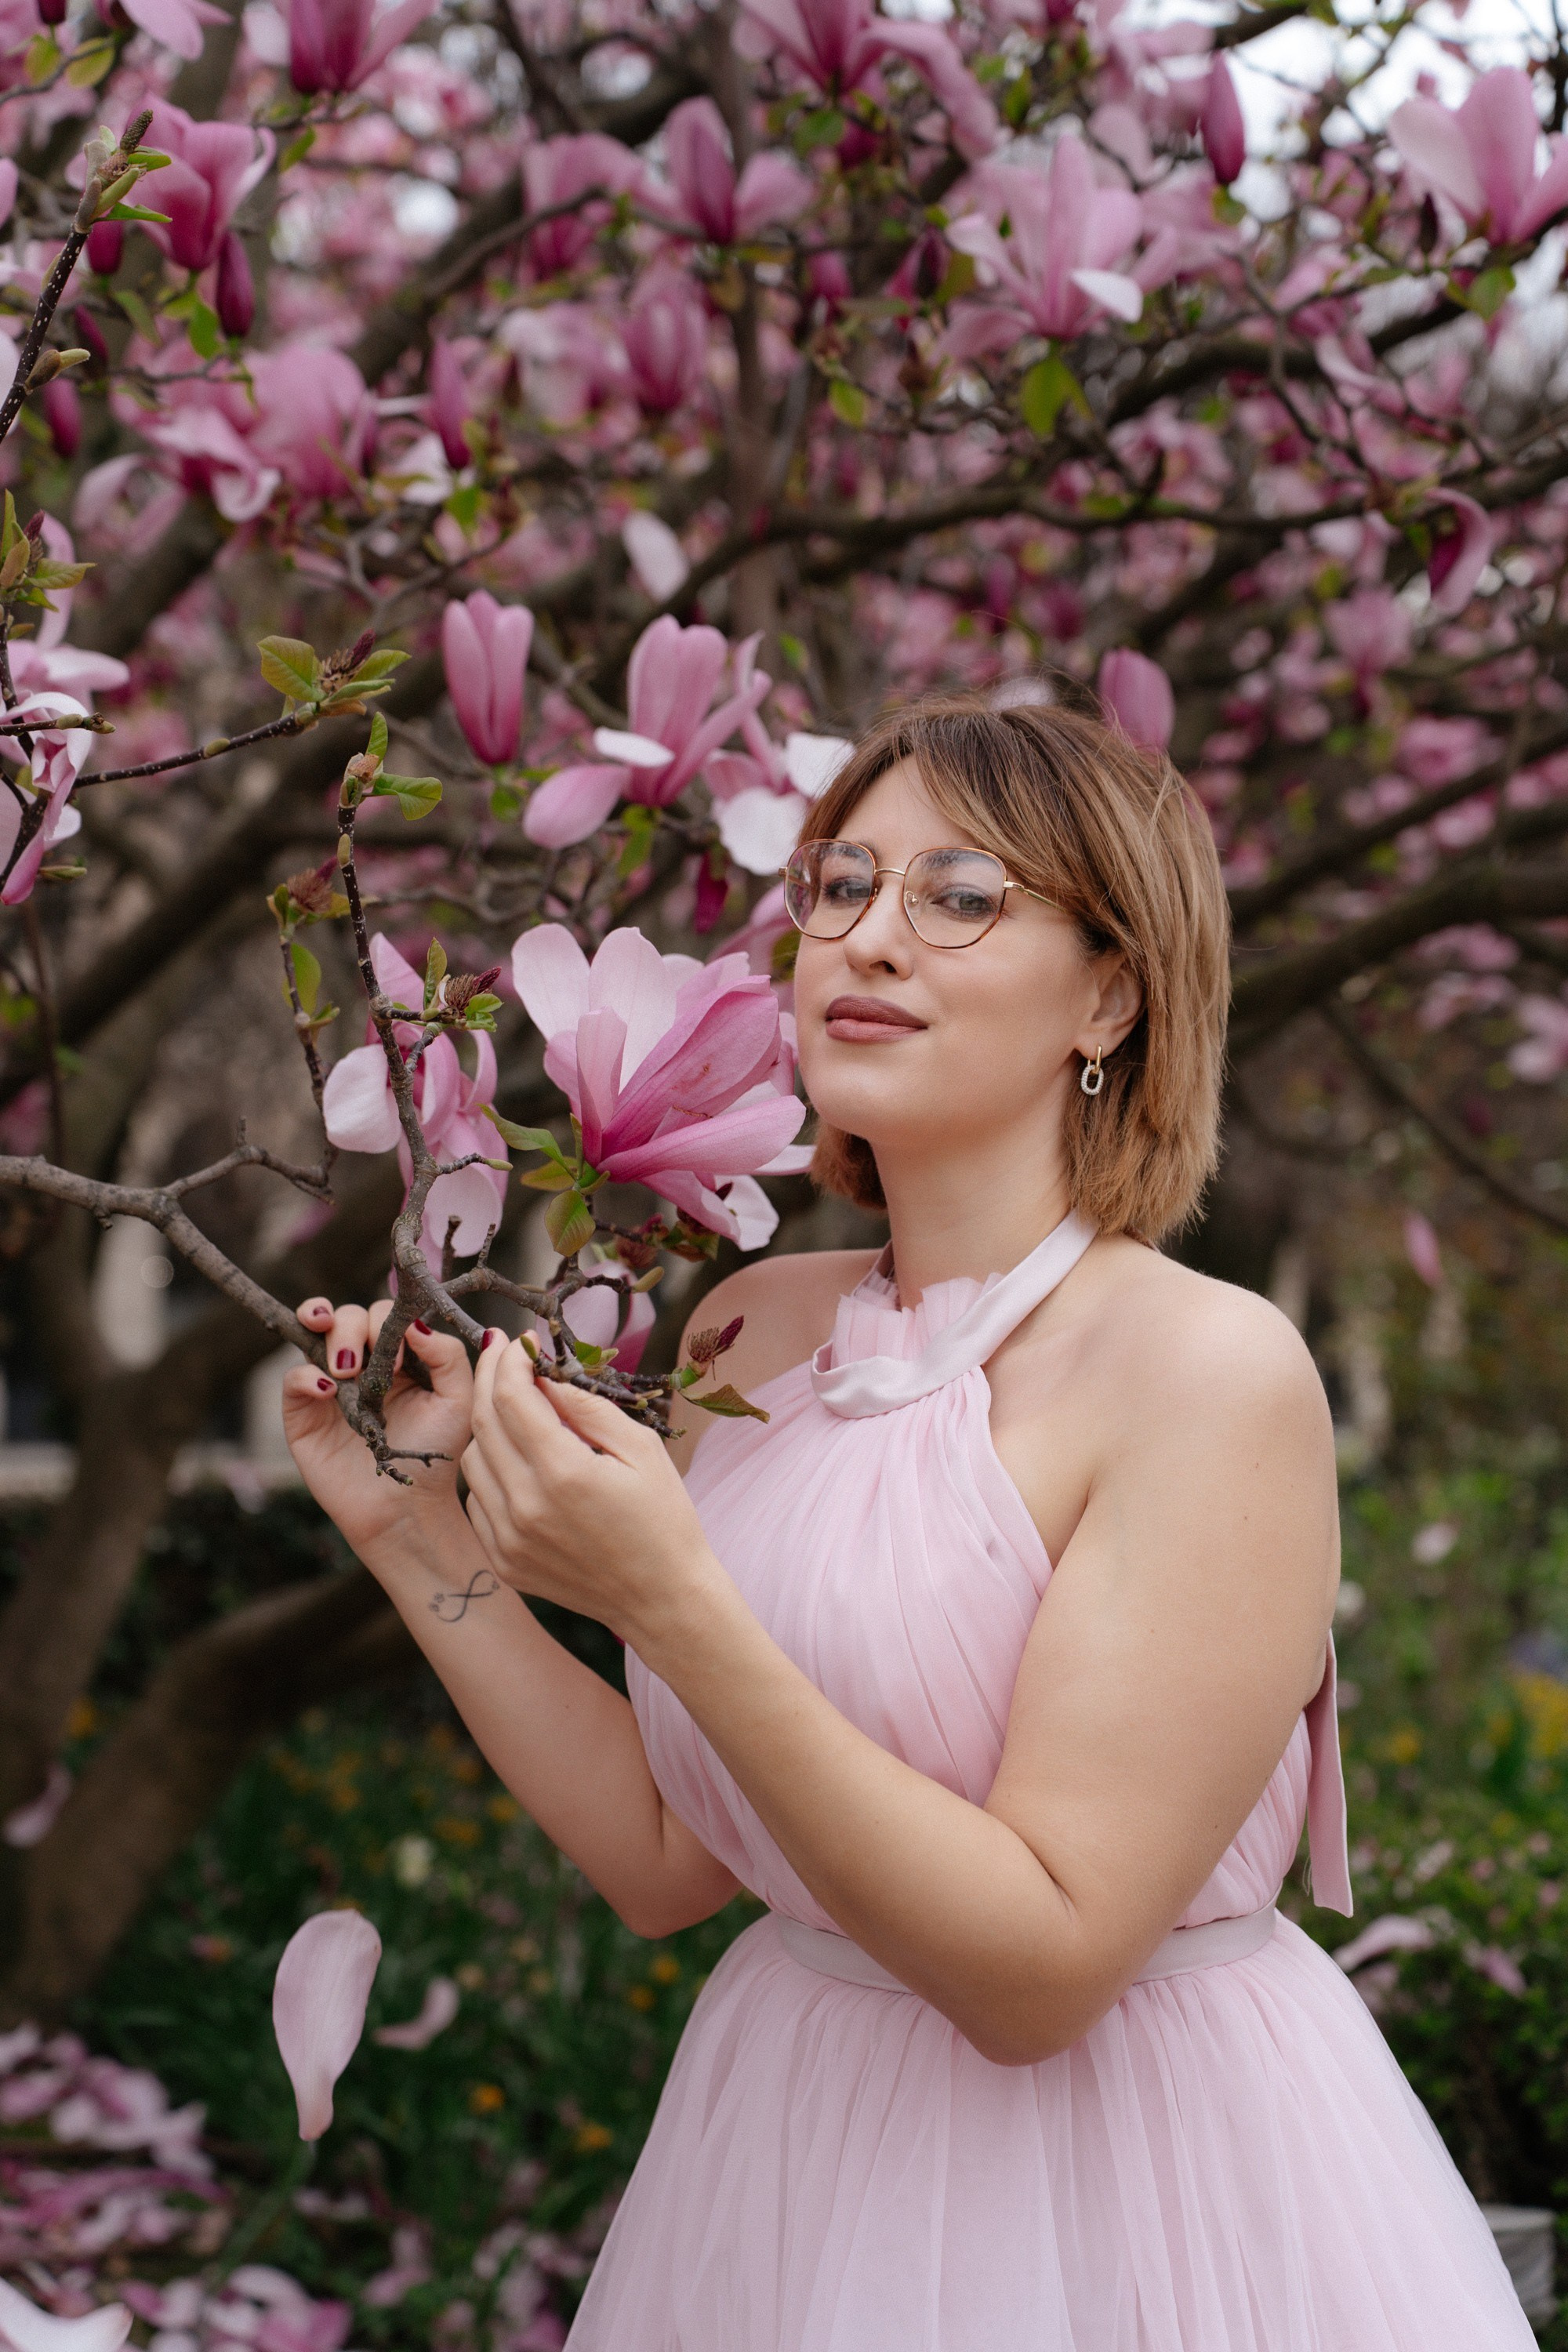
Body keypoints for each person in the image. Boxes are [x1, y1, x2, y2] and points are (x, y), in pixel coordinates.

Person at [284, 695, 1533, 2350]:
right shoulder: (752, 1330)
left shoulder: (1206, 1374)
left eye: (958, 896)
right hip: (789, 2142)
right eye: (840, 886)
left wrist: (671, 1603)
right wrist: (412, 1531)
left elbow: (1041, 1973)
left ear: (1110, 992)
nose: (869, 938)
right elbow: (673, 1862)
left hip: (1128, 2187)